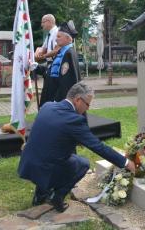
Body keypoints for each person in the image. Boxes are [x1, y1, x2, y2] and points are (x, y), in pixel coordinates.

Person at [18, 82, 136, 212]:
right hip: (45, 167)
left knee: (54, 155)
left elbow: (50, 135)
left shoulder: (47, 106)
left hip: (28, 164)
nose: (88, 108)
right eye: (87, 104)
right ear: (78, 100)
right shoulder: (74, 120)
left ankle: (39, 197)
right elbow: (98, 146)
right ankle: (57, 197)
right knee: (83, 163)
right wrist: (125, 162)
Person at [39, 22, 80, 106]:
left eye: (59, 37)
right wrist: (36, 67)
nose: (56, 39)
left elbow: (67, 82)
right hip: (52, 94)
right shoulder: (61, 52)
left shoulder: (69, 54)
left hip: (58, 99)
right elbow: (52, 72)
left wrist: (58, 100)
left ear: (68, 39)